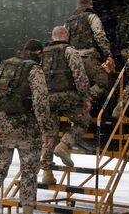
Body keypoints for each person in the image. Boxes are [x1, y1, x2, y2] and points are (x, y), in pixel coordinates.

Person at [0, 40, 55, 214]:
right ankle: (27, 210)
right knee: (29, 172)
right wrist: (48, 131)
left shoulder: (4, 65)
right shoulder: (34, 69)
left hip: (3, 126)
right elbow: (41, 103)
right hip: (28, 129)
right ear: (38, 53)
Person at [40, 26, 91, 183]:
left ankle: (47, 173)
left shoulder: (42, 53)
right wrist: (86, 97)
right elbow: (79, 75)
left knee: (49, 133)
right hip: (68, 96)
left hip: (47, 97)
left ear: (52, 35)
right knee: (83, 121)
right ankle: (64, 145)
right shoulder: (70, 51)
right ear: (66, 36)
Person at [65, 0, 114, 100]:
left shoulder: (68, 22)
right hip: (88, 57)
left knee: (78, 85)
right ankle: (86, 100)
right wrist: (108, 54)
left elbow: (64, 40)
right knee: (104, 81)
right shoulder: (91, 17)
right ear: (91, 5)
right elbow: (99, 35)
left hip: (73, 59)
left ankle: (79, 101)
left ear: (78, 6)